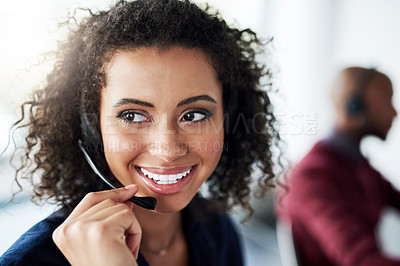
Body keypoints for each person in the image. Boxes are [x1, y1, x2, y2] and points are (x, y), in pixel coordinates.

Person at [0, 0, 281, 265]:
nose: (168, 150)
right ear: (92, 126)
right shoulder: (32, 261)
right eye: (132, 116)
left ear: (226, 117)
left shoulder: (217, 228)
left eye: (194, 115)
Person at [276, 66, 400, 266]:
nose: (395, 113)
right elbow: (361, 260)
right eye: (387, 99)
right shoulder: (313, 178)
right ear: (354, 107)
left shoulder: (357, 166)